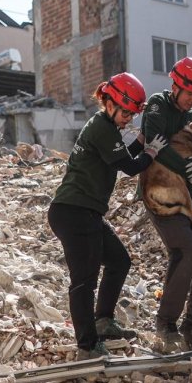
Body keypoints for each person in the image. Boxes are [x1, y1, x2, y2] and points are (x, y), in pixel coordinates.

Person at [48, 73, 167, 359]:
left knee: (118, 261)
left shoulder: (106, 128)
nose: (128, 118)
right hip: (74, 211)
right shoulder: (102, 127)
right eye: (125, 112)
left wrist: (140, 141)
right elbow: (129, 166)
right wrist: (150, 151)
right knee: (84, 281)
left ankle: (103, 320)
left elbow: (119, 156)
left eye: (132, 114)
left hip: (85, 211)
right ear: (109, 103)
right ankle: (88, 346)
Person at [140, 57, 192, 353]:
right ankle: (166, 322)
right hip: (159, 192)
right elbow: (156, 143)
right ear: (175, 86)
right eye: (189, 94)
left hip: (187, 196)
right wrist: (188, 167)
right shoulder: (157, 106)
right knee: (185, 249)